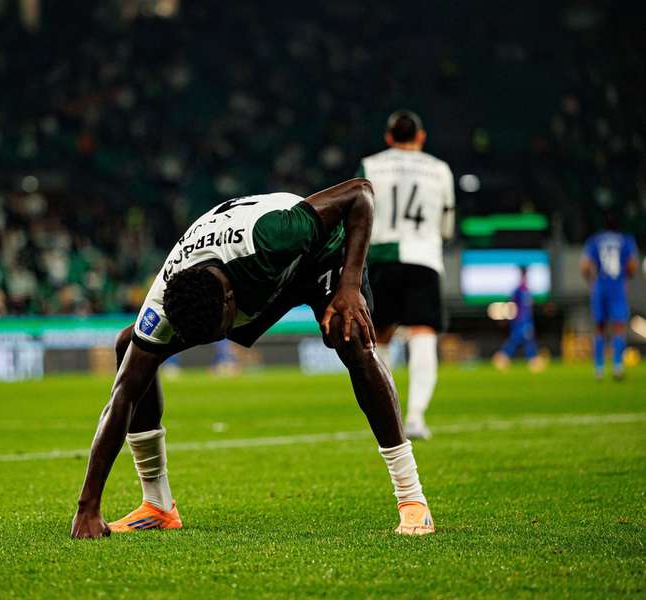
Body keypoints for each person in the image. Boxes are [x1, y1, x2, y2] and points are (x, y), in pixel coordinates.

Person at [71, 178, 435, 539]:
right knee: (129, 347)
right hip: (260, 279)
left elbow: (360, 193)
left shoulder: (274, 234)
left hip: (320, 258)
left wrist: (350, 285)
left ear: (230, 301)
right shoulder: (167, 293)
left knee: (350, 334)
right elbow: (122, 397)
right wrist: (88, 507)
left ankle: (411, 498)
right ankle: (157, 505)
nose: (213, 343)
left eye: (216, 333)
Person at [356, 110, 455, 440]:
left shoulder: (370, 165)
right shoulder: (440, 170)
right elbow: (446, 226)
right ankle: (415, 417)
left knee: (379, 338)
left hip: (382, 257)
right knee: (423, 333)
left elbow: (356, 214)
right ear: (421, 136)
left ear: (388, 137)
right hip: (423, 257)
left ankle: (391, 419)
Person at [580, 215, 639, 380]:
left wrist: (591, 280)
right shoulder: (626, 240)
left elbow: (585, 266)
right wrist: (626, 277)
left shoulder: (594, 240)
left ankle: (598, 369)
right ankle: (617, 367)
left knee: (599, 327)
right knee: (619, 326)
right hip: (617, 286)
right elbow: (632, 266)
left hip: (600, 286)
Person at [492, 266, 545, 372]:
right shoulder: (518, 290)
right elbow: (511, 304)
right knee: (519, 340)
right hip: (520, 321)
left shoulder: (527, 290)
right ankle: (504, 357)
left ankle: (504, 357)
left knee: (525, 340)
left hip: (526, 321)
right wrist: (506, 318)